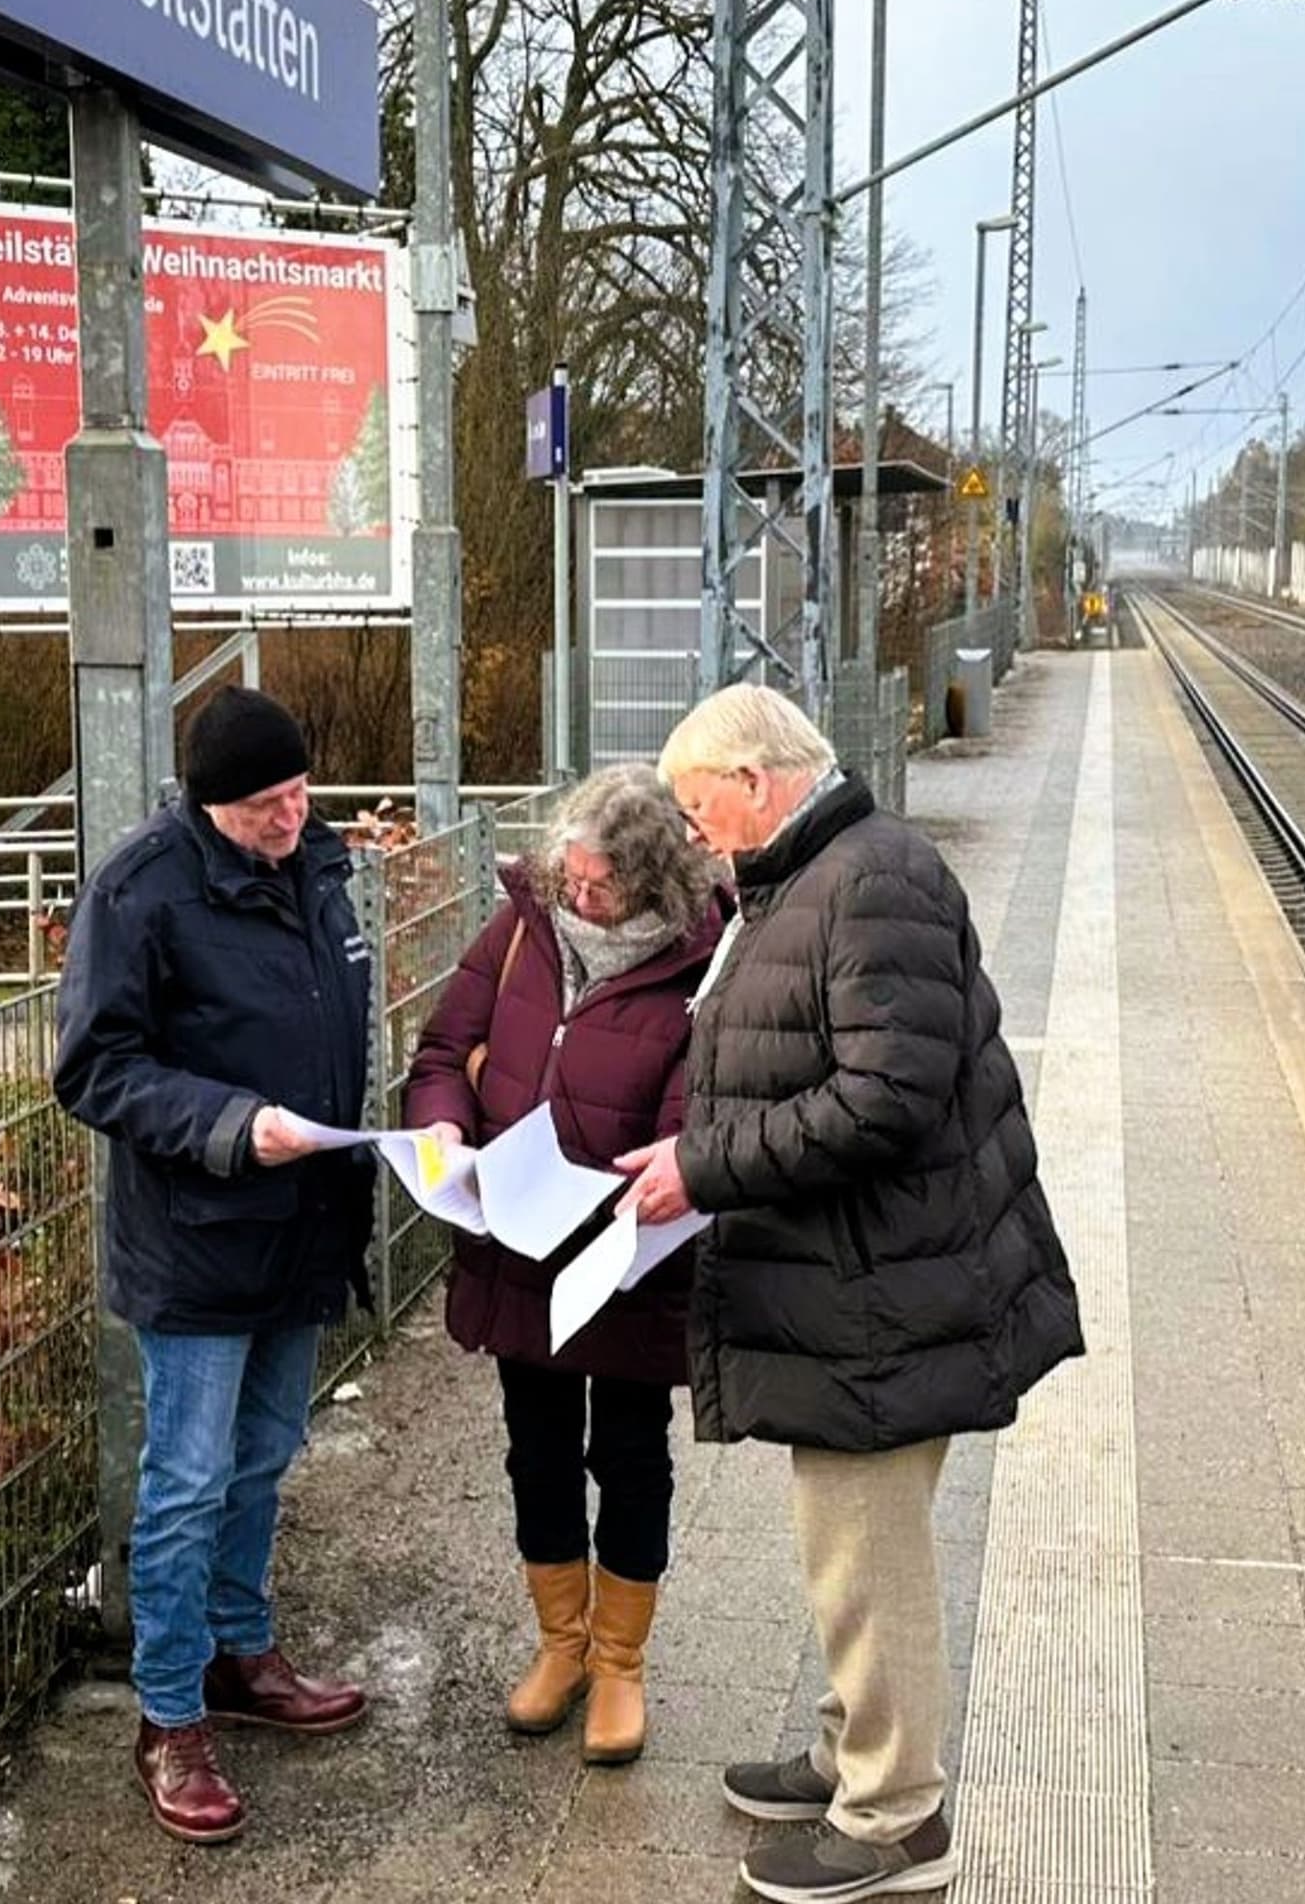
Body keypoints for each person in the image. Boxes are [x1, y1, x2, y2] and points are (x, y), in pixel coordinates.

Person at [616, 684, 1083, 1904]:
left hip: (886, 1290)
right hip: (864, 1279)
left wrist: (705, 1169)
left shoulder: (871, 881)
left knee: (871, 1561)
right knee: (849, 1554)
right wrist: (698, 1152)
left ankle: (893, 1817)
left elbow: (885, 1101)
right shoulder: (815, 875)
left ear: (757, 784)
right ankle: (847, 1753)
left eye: (698, 806)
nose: (691, 831)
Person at [51, 684, 379, 1847]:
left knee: (267, 1453)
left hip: (305, 1223)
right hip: (198, 1238)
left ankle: (243, 1651)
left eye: (300, 793)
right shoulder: (139, 891)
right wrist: (232, 1126)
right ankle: (170, 1714)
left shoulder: (319, 866)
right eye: (264, 807)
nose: (291, 818)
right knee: (187, 1479)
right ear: (208, 807)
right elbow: (94, 1068)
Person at [403, 766, 728, 1767]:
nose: (578, 896)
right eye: (570, 875)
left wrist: (666, 1167)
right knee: (534, 1448)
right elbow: (442, 1052)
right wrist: (443, 1132)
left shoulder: (705, 963)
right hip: (516, 1240)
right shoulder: (522, 925)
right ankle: (561, 1645)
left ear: (655, 881)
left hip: (628, 1256)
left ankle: (620, 1663)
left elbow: (704, 1102)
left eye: (601, 885)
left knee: (629, 1455)